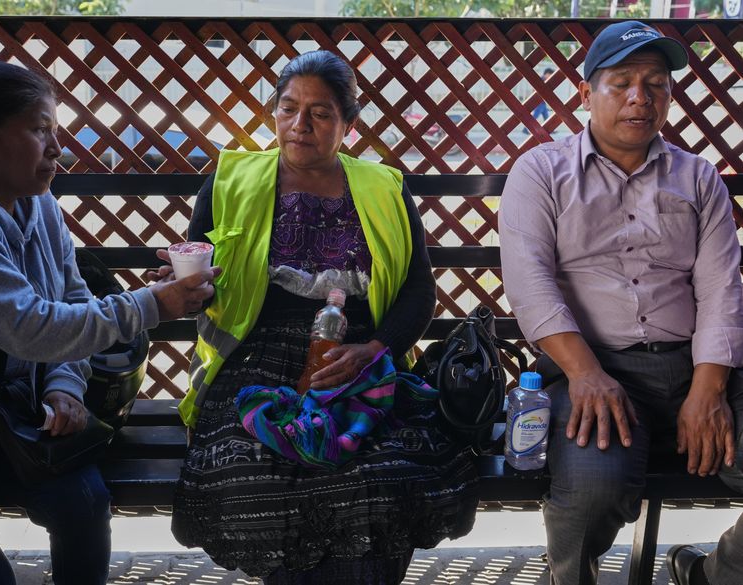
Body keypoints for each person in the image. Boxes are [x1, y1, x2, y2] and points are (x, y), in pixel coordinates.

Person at [0, 62, 218, 585]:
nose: (57, 146)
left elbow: (70, 298)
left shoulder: (37, 202)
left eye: (55, 129)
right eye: (40, 130)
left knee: (83, 502)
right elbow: (31, 328)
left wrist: (62, 385)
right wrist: (155, 304)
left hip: (0, 421)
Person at [170, 50, 479, 584]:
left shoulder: (384, 187)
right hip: (253, 362)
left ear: (348, 124)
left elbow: (418, 289)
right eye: (288, 108)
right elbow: (199, 280)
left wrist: (375, 349)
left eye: (320, 112)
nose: (300, 124)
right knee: (256, 470)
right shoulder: (230, 182)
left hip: (359, 358)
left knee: (383, 476)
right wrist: (183, 290)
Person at [499, 21, 743, 585]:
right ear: (587, 94)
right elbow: (530, 283)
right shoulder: (542, 171)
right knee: (590, 491)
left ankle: (714, 574)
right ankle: (571, 576)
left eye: (656, 83)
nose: (641, 97)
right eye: (622, 83)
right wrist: (585, 374)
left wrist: (708, 390)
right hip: (593, 368)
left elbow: (721, 286)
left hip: (695, 367)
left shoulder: (698, 178)